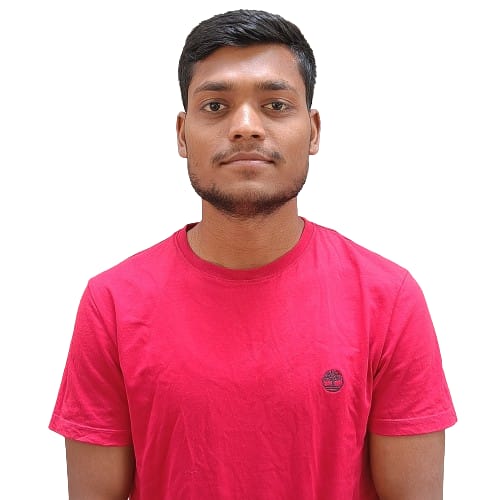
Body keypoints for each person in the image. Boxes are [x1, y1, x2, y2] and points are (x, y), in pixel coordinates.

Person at [49, 9, 457, 500]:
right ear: (182, 134)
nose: (245, 127)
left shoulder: (388, 300)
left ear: (313, 131)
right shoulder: (113, 304)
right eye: (216, 106)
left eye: (276, 105)